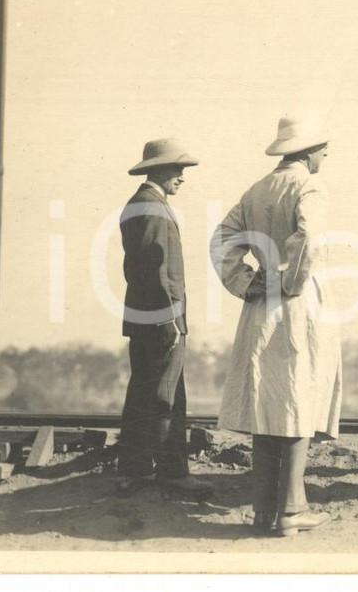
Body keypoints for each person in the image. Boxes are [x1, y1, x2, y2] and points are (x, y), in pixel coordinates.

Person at [210, 112, 342, 536]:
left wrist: (246, 280)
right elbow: (310, 239)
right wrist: (290, 280)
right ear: (308, 151)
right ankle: (291, 511)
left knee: (269, 402)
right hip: (298, 305)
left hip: (261, 306)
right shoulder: (310, 186)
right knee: (298, 399)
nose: (326, 153)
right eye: (323, 147)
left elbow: (221, 239)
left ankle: (264, 510)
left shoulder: (257, 190)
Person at [116, 138, 213, 497]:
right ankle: (173, 474)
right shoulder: (154, 208)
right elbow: (159, 270)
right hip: (162, 317)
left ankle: (135, 469)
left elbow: (136, 269)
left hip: (140, 314)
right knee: (168, 395)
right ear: (158, 169)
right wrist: (172, 319)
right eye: (178, 169)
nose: (182, 177)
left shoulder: (136, 204)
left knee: (141, 391)